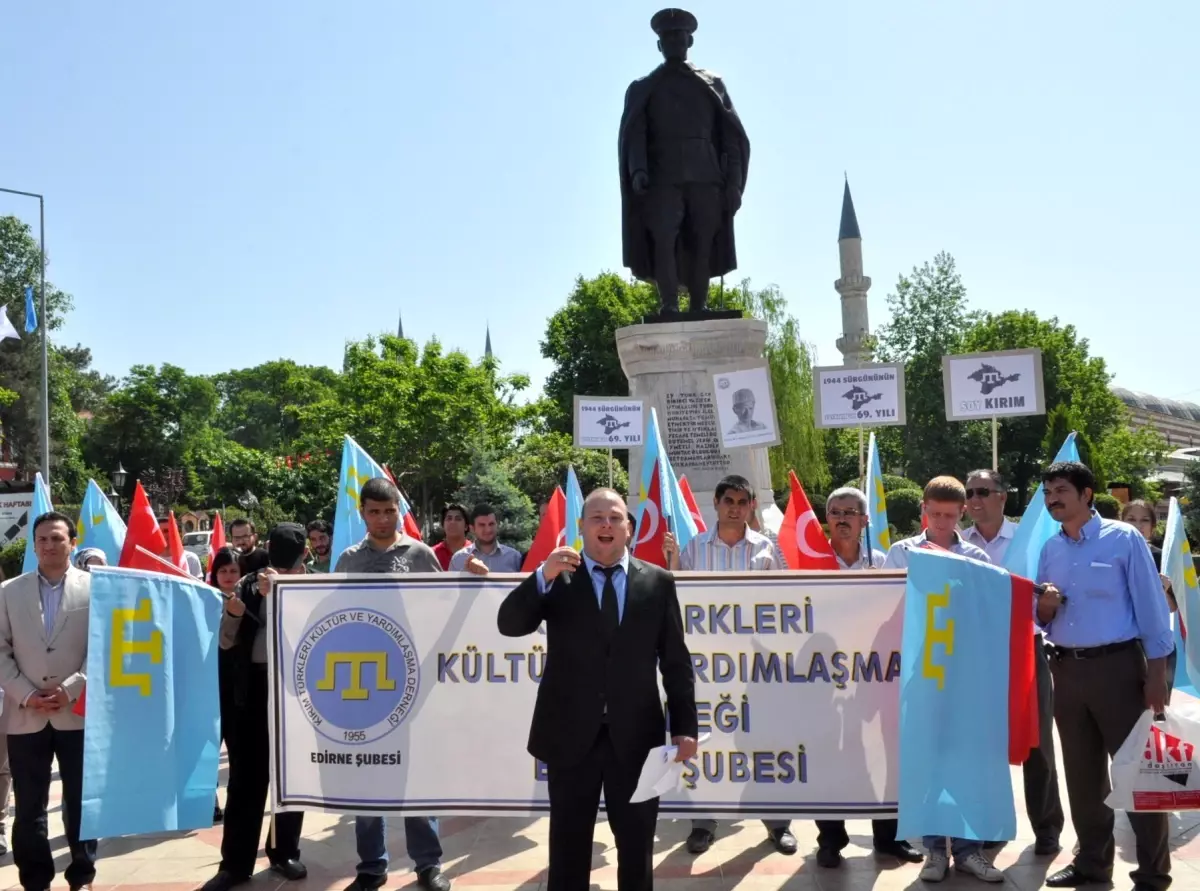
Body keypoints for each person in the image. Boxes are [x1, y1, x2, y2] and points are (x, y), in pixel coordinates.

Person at [498, 487, 697, 891]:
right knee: (568, 847)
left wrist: (685, 726)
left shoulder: (658, 582)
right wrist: (541, 575)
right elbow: (509, 623)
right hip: (571, 737)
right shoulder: (558, 578)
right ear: (582, 527)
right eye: (596, 517)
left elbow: (675, 661)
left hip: (637, 738)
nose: (606, 525)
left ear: (629, 529)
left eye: (615, 518)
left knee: (637, 846)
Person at [1037, 462, 1172, 891]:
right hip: (1066, 670)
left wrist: (1155, 675)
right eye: (1047, 492)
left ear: (1087, 494)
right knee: (1082, 775)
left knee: (1136, 773)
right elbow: (1039, 616)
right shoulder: (1050, 549)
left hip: (1119, 671)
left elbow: (1151, 608)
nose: (1053, 498)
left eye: (1060, 490)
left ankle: (1152, 873)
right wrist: (1046, 608)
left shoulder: (1124, 538)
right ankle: (1092, 863)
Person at [663, 474, 797, 856]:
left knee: (762, 742)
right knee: (706, 741)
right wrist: (671, 562)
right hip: (707, 666)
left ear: (751, 505)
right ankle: (703, 823)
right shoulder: (693, 549)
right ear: (717, 505)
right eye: (728, 501)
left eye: (742, 501)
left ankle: (777, 823)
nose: (735, 507)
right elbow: (678, 598)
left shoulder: (767, 550)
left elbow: (786, 600)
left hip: (754, 666)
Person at [884, 477, 1002, 884]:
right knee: (928, 762)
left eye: (949, 515)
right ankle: (934, 849)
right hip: (920, 676)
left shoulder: (977, 559)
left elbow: (991, 616)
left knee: (965, 761)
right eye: (934, 514)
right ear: (923, 510)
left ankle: (969, 850)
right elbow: (887, 612)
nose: (940, 521)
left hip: (965, 677)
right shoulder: (900, 554)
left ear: (962, 513)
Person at [334, 478, 449, 891]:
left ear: (399, 511)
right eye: (374, 511)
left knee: (418, 778)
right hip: (364, 686)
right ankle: (371, 866)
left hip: (414, 683)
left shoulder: (420, 556)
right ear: (362, 513)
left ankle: (428, 865)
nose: (382, 519)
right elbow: (333, 616)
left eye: (389, 511)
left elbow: (442, 610)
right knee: (368, 778)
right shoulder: (348, 560)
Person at [813, 487, 923, 868]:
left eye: (850, 512)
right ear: (826, 519)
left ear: (865, 520)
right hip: (822, 680)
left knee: (882, 755)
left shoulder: (884, 565)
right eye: (835, 512)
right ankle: (830, 839)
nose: (842, 518)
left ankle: (889, 839)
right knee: (828, 757)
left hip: (876, 679)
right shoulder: (808, 562)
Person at [961, 469, 1064, 857]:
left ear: (1003, 496)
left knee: (1036, 742)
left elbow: (1047, 595)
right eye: (969, 491)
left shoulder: (1030, 539)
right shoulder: (956, 542)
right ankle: (989, 824)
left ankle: (1048, 827)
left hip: (1024, 648)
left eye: (983, 491)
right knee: (982, 743)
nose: (974, 499)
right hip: (973, 653)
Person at [201, 526, 309, 891]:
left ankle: (284, 852)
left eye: (291, 560)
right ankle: (234, 863)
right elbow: (225, 643)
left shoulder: (315, 589)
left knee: (290, 780)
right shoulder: (246, 586)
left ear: (304, 557)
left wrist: (286, 595)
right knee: (245, 780)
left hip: (297, 695)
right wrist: (235, 612)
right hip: (249, 693)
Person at [0, 511, 96, 891]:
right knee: (29, 807)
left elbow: (103, 648)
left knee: (81, 802)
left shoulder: (95, 588)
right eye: (41, 539)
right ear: (33, 544)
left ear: (72, 542)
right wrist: (25, 692)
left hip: (77, 713)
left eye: (57, 538)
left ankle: (82, 874)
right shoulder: (9, 591)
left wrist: (72, 687)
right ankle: (35, 879)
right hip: (25, 715)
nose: (49, 545)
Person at [209, 545, 250, 825]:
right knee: (209, 750)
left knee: (239, 752)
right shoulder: (203, 600)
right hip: (210, 688)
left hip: (240, 688)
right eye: (222, 570)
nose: (227, 576)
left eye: (233, 570)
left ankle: (239, 803)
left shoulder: (252, 599)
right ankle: (208, 803)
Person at [1121, 500, 1179, 699]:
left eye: (1144, 520)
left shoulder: (1162, 558)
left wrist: (1163, 589)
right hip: (1124, 647)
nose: (1138, 525)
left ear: (1153, 527)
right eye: (1131, 519)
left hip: (1157, 645)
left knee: (1157, 709)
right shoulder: (1113, 556)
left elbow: (1172, 608)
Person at [449, 504, 523, 575]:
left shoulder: (514, 557)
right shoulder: (458, 558)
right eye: (482, 525)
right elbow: (451, 587)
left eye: (491, 524)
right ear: (472, 528)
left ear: (497, 525)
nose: (488, 530)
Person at [431, 504, 469, 571]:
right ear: (443, 525)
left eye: (458, 519)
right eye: (449, 518)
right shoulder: (432, 554)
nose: (452, 522)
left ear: (466, 526)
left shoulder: (475, 552)